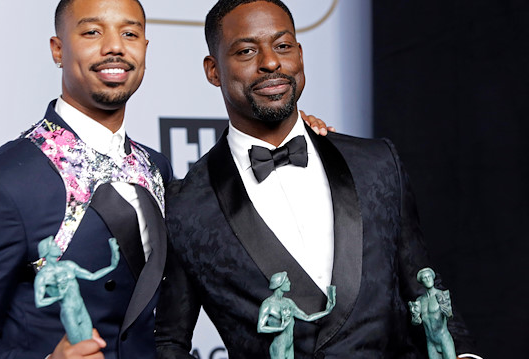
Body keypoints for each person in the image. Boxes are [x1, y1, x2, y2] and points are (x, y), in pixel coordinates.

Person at [0, 0, 329, 358]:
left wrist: (302, 134)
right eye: (92, 32)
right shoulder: (0, 184)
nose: (115, 47)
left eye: (130, 33)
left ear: (144, 49)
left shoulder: (156, 167)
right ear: (58, 50)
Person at [155, 0, 477, 358]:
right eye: (247, 51)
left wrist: (462, 353)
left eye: (283, 46)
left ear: (300, 54)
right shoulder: (184, 206)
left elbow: (424, 287)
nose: (271, 62)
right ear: (214, 70)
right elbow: (169, 341)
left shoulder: (377, 163)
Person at [257, 272, 335, 359]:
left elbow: (307, 317)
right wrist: (280, 328)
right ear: (279, 284)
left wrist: (326, 311)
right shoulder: (267, 304)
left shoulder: (289, 302)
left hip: (290, 345)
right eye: (287, 281)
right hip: (279, 347)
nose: (289, 283)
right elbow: (260, 328)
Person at [409, 268, 457, 359]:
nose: (428, 279)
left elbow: (450, 316)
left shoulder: (441, 295)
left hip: (443, 339)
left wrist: (448, 311)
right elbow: (416, 322)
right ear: (421, 282)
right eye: (425, 278)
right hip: (430, 341)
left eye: (429, 276)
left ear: (433, 278)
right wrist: (415, 316)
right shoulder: (419, 300)